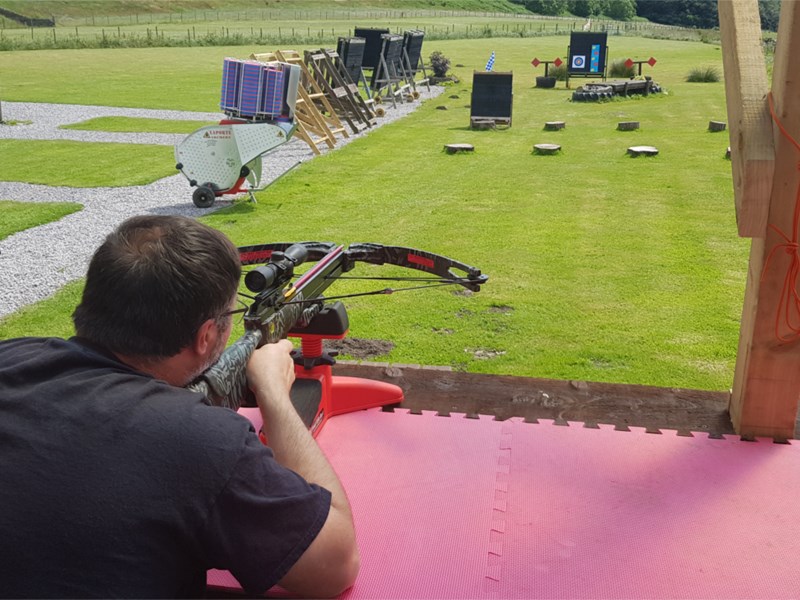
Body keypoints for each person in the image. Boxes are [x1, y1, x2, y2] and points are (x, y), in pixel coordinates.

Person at [0, 215, 359, 598]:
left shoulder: (12, 355)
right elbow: (336, 566)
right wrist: (273, 391)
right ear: (206, 336)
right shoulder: (201, 439)